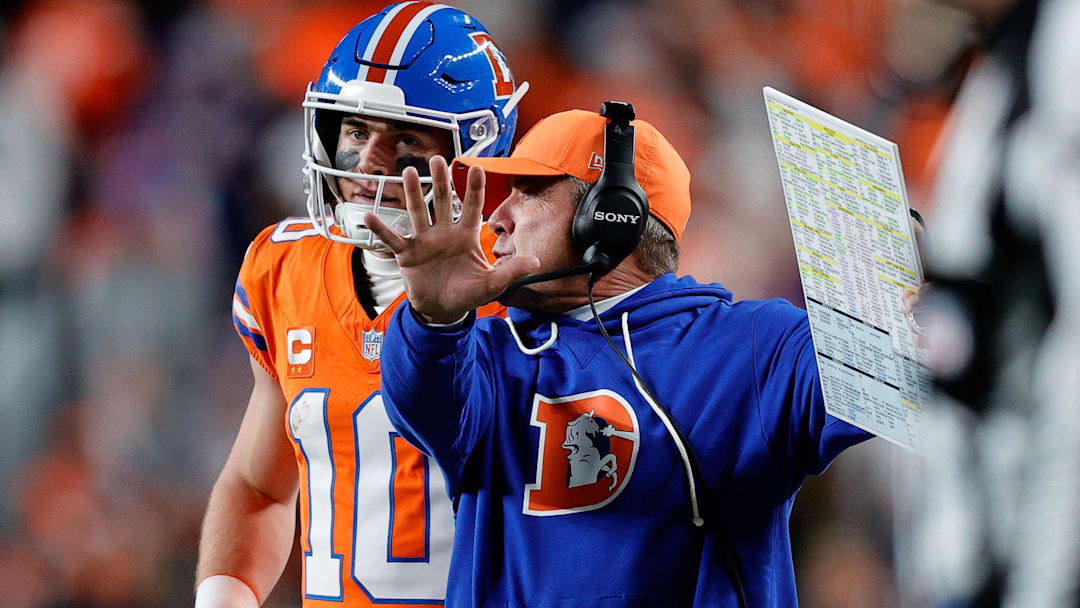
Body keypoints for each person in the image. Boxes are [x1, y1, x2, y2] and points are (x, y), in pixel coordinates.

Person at [365, 106, 873, 606]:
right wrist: (433, 319)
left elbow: (883, 381)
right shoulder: (489, 355)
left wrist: (895, 296)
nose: (496, 220)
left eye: (529, 193)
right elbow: (419, 402)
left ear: (610, 218)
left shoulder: (757, 346)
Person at [194, 3, 526, 607]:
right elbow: (260, 486)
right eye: (354, 131)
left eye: (404, 138)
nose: (367, 162)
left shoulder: (525, 285)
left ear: (472, 152)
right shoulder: (284, 268)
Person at [896, 0, 1080, 606]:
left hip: (1034, 535)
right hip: (988, 529)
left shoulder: (1062, 47)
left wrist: (1042, 581)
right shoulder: (1006, 58)